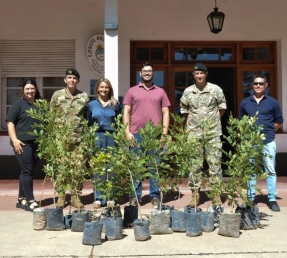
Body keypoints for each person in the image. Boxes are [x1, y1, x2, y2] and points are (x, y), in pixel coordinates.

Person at [123, 62, 171, 208]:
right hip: (136, 135)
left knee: (154, 167)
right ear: (140, 73)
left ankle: (155, 196)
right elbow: (126, 111)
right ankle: (135, 197)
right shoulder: (132, 91)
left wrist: (164, 133)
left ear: (153, 73)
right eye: (145, 71)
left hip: (155, 136)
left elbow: (166, 113)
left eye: (150, 71)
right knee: (136, 167)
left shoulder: (160, 92)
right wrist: (127, 131)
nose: (147, 73)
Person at [180, 63, 227, 212]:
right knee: (194, 165)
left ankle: (215, 195)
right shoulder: (188, 91)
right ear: (193, 75)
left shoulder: (215, 89)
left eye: (202, 73)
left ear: (206, 74)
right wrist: (196, 124)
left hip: (213, 133)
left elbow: (222, 108)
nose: (199, 76)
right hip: (194, 134)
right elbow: (184, 110)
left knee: (214, 165)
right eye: (196, 73)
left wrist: (210, 123)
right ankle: (195, 194)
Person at [239, 74, 283, 212]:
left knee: (270, 170)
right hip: (250, 142)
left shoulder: (273, 102)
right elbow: (241, 122)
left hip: (268, 141)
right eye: (256, 83)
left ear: (266, 85)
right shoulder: (245, 103)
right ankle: (250, 199)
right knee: (250, 171)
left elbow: (279, 122)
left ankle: (272, 199)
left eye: (261, 84)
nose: (258, 86)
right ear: (252, 85)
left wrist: (268, 131)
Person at [50, 68, 89, 208]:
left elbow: (86, 118)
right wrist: (52, 138)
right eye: (69, 77)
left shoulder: (84, 97)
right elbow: (51, 116)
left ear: (78, 80)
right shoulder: (57, 95)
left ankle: (76, 197)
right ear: (65, 80)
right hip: (61, 139)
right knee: (61, 168)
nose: (72, 80)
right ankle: (61, 196)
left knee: (78, 169)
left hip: (79, 140)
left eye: (74, 78)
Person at [7, 78, 42, 212]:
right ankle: (30, 200)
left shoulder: (41, 103)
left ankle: (21, 199)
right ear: (23, 90)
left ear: (36, 89)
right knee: (27, 170)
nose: (30, 91)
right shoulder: (18, 104)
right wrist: (14, 140)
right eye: (27, 88)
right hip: (22, 143)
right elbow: (10, 123)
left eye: (32, 88)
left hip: (37, 143)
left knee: (27, 170)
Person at [87, 78, 122, 209]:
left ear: (110, 89)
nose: (104, 89)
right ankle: (98, 197)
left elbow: (119, 122)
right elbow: (88, 121)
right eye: (101, 87)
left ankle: (110, 197)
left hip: (112, 136)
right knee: (98, 167)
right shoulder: (91, 105)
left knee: (111, 167)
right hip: (97, 136)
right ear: (97, 89)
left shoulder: (116, 104)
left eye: (106, 87)